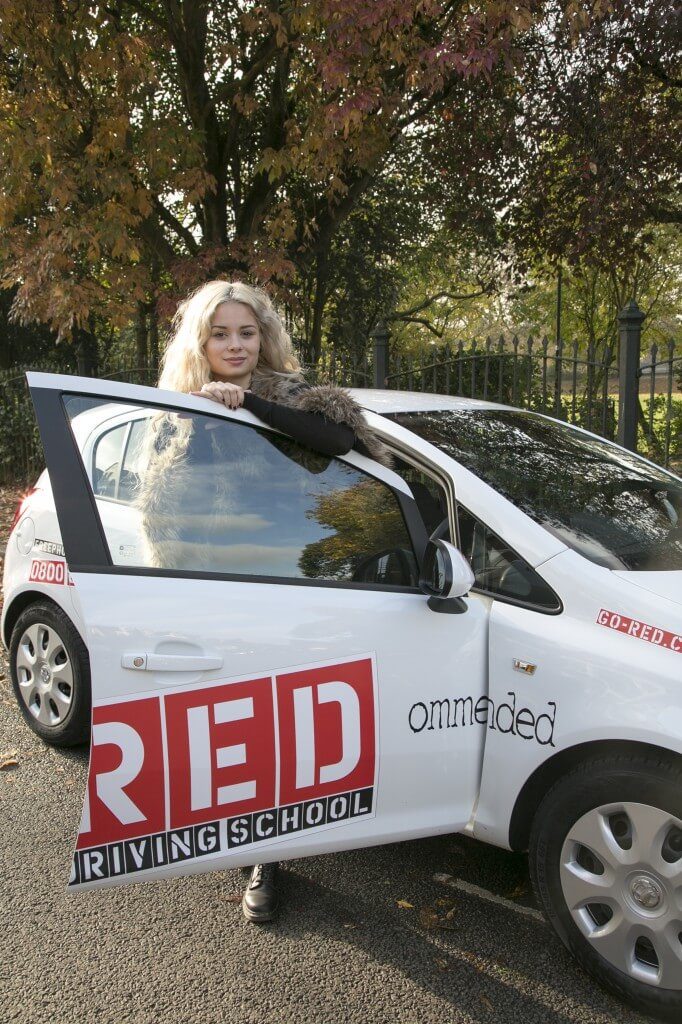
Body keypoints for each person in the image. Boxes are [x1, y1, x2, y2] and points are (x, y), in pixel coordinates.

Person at [135, 279, 391, 923]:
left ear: (265, 337)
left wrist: (248, 403)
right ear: (200, 341)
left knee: (276, 729)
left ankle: (263, 857)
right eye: (220, 333)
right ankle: (226, 833)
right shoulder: (177, 414)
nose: (235, 344)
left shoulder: (290, 396)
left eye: (246, 332)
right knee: (226, 727)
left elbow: (336, 442)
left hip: (290, 585)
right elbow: (163, 507)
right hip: (211, 587)